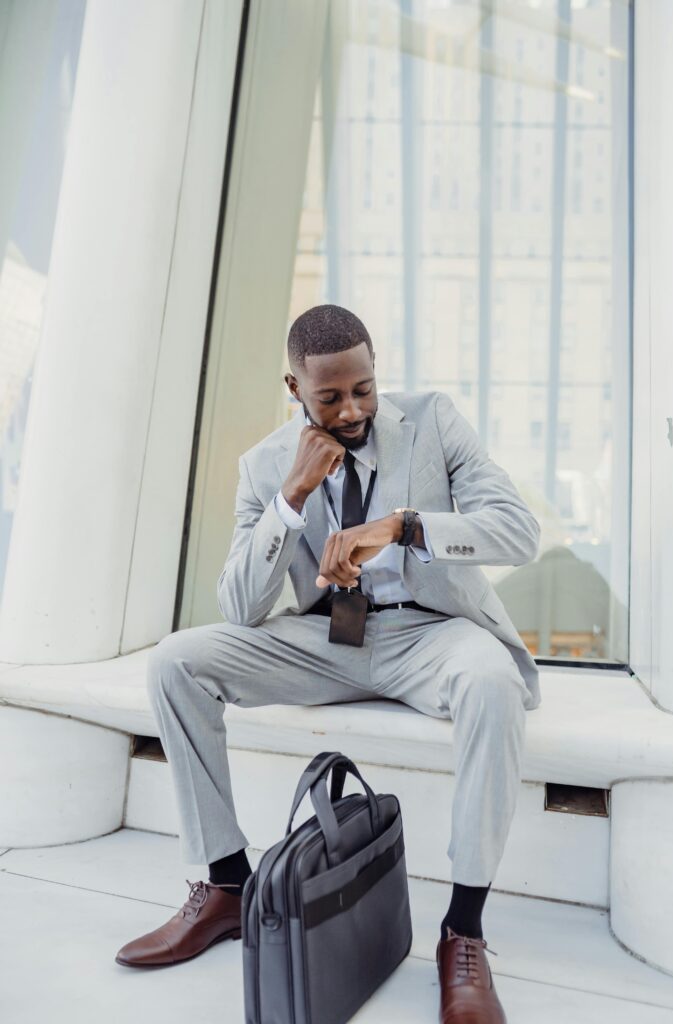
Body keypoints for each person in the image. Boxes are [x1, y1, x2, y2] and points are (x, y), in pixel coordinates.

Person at [116, 304, 541, 1024]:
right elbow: (241, 606)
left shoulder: (433, 422)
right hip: (324, 642)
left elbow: (518, 533)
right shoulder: (262, 466)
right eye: (330, 397)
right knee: (176, 662)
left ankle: (461, 932)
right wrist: (292, 496)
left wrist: (403, 527)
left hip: (428, 635)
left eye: (364, 390)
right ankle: (226, 887)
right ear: (294, 387)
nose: (352, 410)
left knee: (492, 682)